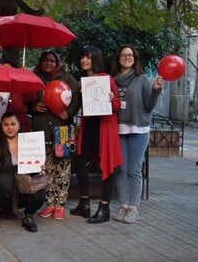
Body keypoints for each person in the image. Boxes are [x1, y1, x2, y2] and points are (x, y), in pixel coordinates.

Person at [70, 46, 123, 224]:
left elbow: (117, 105)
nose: (84, 60)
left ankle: (104, 207)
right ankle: (84, 203)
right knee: (80, 163)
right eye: (83, 57)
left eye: (88, 58)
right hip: (89, 127)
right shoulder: (84, 81)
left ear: (96, 59)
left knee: (106, 166)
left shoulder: (107, 79)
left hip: (104, 128)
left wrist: (111, 99)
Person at [111, 45, 163, 223]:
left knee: (134, 169)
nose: (127, 57)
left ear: (135, 58)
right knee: (121, 169)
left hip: (139, 129)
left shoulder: (142, 79)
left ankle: (133, 207)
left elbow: (149, 105)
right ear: (118, 58)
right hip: (119, 129)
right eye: (124, 55)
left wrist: (156, 90)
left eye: (130, 55)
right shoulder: (112, 81)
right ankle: (123, 205)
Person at [30, 50, 81, 220]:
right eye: (45, 60)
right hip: (41, 130)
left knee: (62, 169)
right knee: (47, 169)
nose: (48, 63)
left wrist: (69, 112)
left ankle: (60, 205)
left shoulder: (66, 77)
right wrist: (34, 107)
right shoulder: (34, 78)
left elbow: (77, 99)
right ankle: (49, 203)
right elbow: (25, 101)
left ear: (57, 63)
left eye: (52, 61)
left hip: (63, 131)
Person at [0, 112, 46, 233]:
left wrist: (40, 167)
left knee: (39, 194)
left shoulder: (29, 142)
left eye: (13, 124)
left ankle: (28, 216)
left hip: (21, 191)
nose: (10, 127)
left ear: (19, 125)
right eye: (6, 124)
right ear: (2, 127)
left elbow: (34, 169)